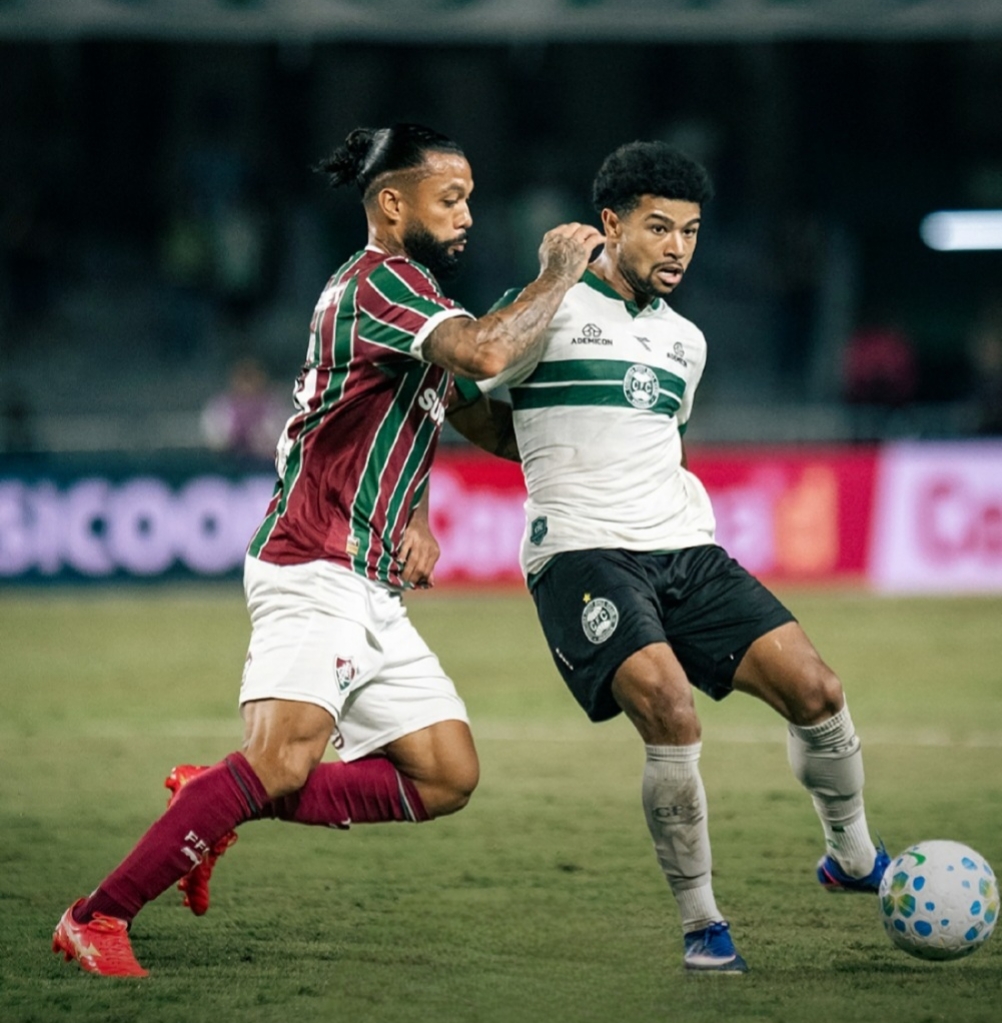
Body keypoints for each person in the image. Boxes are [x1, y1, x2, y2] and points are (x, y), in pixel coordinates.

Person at [52, 122, 602, 977]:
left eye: (469, 200)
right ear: (392, 203)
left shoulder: (416, 300)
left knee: (445, 774)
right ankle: (96, 915)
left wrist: (421, 505)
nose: (465, 216)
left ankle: (216, 798)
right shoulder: (378, 283)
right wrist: (559, 271)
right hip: (315, 561)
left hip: (373, 580)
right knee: (278, 760)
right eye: (449, 199)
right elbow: (490, 349)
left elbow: (464, 416)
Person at [459, 141, 888, 973]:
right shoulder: (546, 307)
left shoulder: (685, 342)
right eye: (659, 229)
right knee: (669, 709)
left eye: (690, 231)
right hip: (581, 552)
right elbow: (466, 398)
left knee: (819, 690)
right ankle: (703, 925)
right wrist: (541, 448)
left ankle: (856, 859)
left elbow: (664, 440)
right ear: (610, 224)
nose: (678, 248)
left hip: (685, 547)